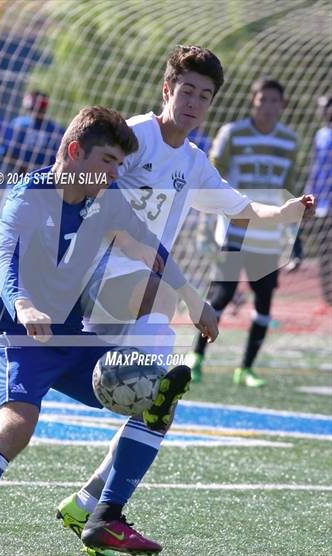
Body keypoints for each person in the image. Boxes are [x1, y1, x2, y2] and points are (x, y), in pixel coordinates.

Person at [0, 105, 218, 556]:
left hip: (71, 334)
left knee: (158, 400)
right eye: (107, 161)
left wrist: (195, 300)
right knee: (18, 427)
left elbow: (150, 248)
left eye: (120, 164)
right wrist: (23, 304)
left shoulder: (107, 199)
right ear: (75, 151)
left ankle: (104, 518)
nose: (115, 173)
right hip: (17, 335)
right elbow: (3, 256)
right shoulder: (28, 194)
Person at [56, 46, 315, 555]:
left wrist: (283, 215)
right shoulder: (134, 137)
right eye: (187, 90)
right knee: (159, 363)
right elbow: (81, 176)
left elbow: (240, 208)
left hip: (140, 283)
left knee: (159, 403)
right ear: (167, 89)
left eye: (206, 95)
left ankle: (94, 507)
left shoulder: (194, 161)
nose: (195, 101)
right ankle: (102, 511)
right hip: (100, 274)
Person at [190, 77, 301, 387]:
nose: (268, 106)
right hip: (235, 228)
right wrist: (205, 223)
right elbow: (211, 177)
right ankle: (196, 357)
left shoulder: (290, 141)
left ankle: (246, 369)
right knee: (221, 295)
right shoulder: (233, 134)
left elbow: (288, 188)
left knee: (264, 302)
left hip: (269, 234)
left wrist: (295, 235)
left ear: (283, 105)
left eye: (274, 101)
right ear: (253, 101)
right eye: (262, 100)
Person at [305, 95, 332, 314]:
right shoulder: (320, 135)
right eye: (322, 107)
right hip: (323, 205)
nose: (324, 111)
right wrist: (310, 193)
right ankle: (328, 299)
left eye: (328, 107)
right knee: (325, 254)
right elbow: (316, 168)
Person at [0, 90, 65, 176]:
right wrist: (20, 166)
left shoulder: (56, 130)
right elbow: (4, 152)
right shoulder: (18, 124)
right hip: (23, 179)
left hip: (41, 180)